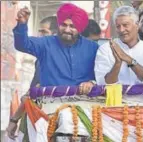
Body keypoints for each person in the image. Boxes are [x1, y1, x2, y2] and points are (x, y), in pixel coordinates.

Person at [7, 3, 99, 140]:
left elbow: (104, 76)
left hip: (85, 113)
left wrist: (92, 82)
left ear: (79, 28)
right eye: (64, 25)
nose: (67, 29)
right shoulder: (46, 44)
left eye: (72, 26)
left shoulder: (93, 48)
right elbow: (22, 44)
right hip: (49, 113)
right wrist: (22, 25)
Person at [94, 6, 143, 104]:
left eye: (125, 25)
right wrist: (117, 63)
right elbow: (103, 83)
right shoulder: (105, 49)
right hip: (114, 108)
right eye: (118, 26)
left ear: (137, 25)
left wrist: (129, 60)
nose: (121, 30)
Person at [30, 16, 58, 87]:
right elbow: (34, 84)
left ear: (55, 35)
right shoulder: (39, 60)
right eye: (39, 31)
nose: (39, 36)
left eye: (44, 32)